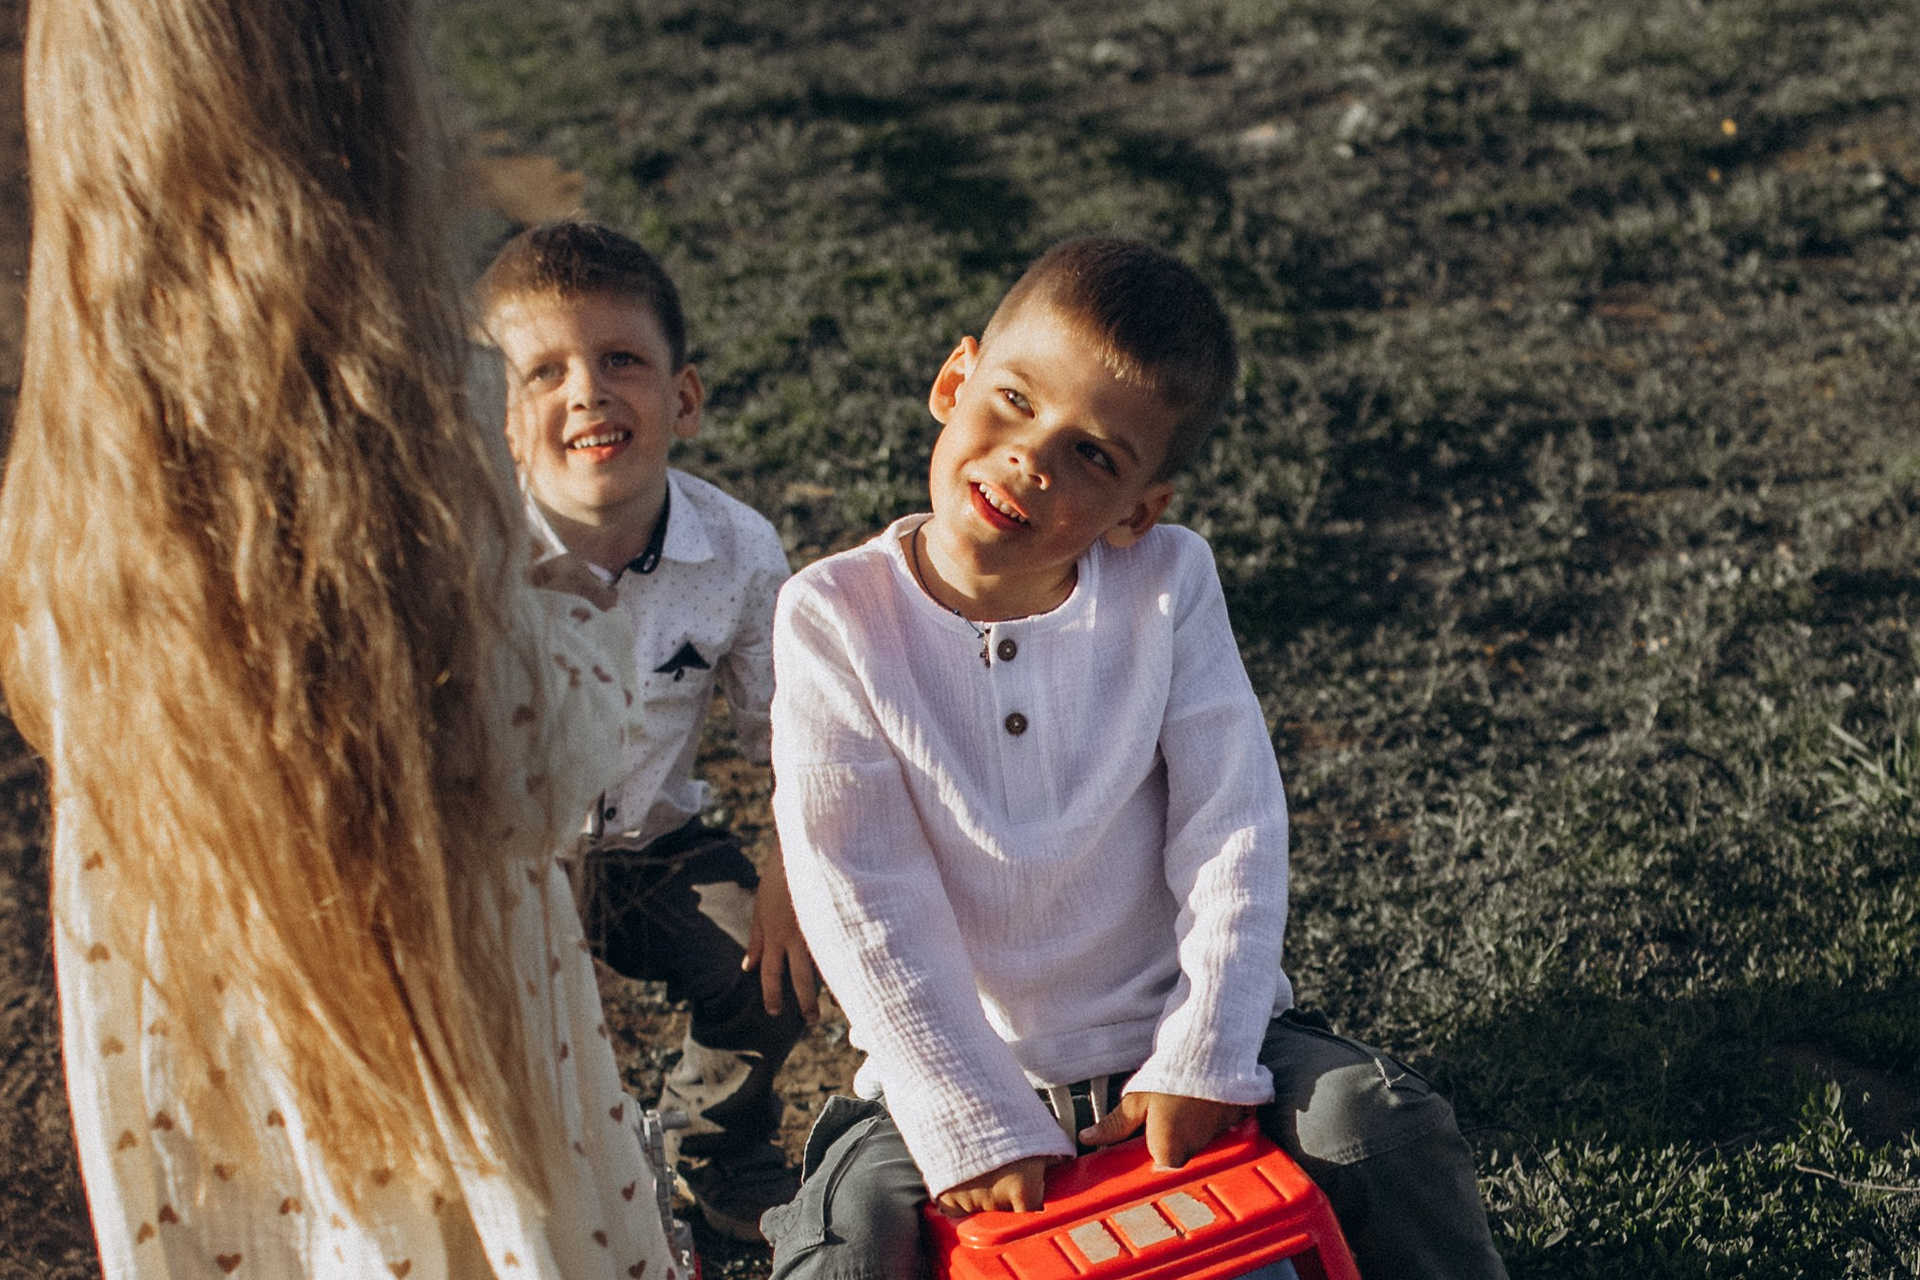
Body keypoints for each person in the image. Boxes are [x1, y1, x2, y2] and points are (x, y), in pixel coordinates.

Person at [0, 2, 685, 1276]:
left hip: (213, 1101)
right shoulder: (400, 441)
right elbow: (533, 761)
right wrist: (580, 596)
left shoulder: (79, 464)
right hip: (423, 1055)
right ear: (357, 110)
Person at [761, 235, 1510, 1278]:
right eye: (1015, 400)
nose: (1033, 458)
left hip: (1170, 1033)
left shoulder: (1167, 584)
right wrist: (970, 1113)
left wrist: (1205, 1049)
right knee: (847, 1245)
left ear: (1139, 510)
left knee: (1378, 1124)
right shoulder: (834, 615)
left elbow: (1232, 824)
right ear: (953, 379)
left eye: (1095, 457)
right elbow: (861, 888)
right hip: (956, 1073)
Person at [477, 221, 815, 1242]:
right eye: (545, 372)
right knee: (492, 1027)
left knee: (772, 968)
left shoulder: (740, 550)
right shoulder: (469, 555)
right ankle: (521, 1182)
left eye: (621, 359)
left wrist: (790, 874)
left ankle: (715, 1148)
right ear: (505, 424)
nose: (587, 392)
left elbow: (792, 732)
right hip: (501, 855)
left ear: (684, 399)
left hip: (650, 847)